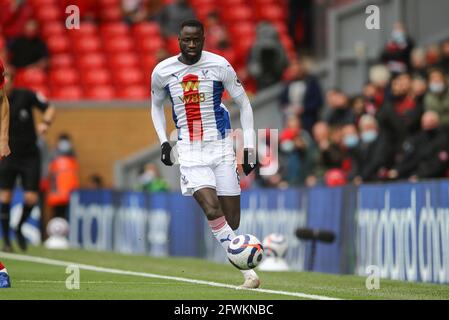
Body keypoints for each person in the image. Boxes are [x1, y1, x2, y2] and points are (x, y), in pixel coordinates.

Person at [151, 20, 260, 288]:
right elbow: (154, 106)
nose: (191, 45)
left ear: (203, 39)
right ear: (178, 39)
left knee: (231, 219)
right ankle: (249, 274)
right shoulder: (162, 71)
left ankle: (237, 251)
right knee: (211, 208)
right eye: (186, 40)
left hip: (221, 145)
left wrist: (249, 146)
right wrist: (164, 141)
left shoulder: (220, 65)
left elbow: (244, 103)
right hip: (189, 149)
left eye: (196, 40)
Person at [0, 70, 55, 252]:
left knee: (31, 197)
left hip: (29, 154)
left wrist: (45, 123)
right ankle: (7, 240)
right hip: (8, 154)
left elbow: (49, 108)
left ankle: (19, 226)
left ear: (12, 82)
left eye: (7, 81)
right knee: (5, 195)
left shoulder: (26, 95)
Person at [387, 111, 449, 181]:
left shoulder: (443, 140)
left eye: (430, 121)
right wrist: (398, 170)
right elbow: (412, 159)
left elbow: (439, 164)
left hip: (435, 179)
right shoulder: (419, 139)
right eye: (424, 122)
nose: (427, 124)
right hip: (414, 176)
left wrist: (420, 175)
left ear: (437, 122)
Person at [280, 59, 323, 133]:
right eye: (293, 70)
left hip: (308, 120)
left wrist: (303, 109)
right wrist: (290, 110)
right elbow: (282, 103)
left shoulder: (311, 82)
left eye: (297, 70)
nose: (295, 72)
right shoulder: (287, 85)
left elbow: (318, 101)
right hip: (291, 119)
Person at [46, 134, 79, 220]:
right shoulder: (52, 155)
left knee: (68, 216)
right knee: (56, 215)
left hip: (69, 194)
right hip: (56, 193)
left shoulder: (73, 155)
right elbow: (49, 173)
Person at [247, 22, 288, 90]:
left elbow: (284, 64)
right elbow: (252, 67)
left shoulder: (279, 47)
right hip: (262, 83)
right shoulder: (255, 48)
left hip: (276, 81)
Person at [352, 115, 392, 184]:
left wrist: (362, 176)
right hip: (364, 178)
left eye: (369, 127)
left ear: (376, 127)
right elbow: (357, 162)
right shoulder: (360, 143)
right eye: (364, 128)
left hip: (378, 179)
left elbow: (377, 160)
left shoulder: (382, 139)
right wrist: (356, 176)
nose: (367, 130)